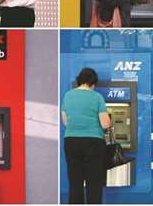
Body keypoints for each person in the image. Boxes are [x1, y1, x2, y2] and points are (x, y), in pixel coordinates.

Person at [61, 68, 111, 204]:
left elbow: (65, 121)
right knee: (93, 182)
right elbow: (105, 123)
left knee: (75, 182)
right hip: (93, 142)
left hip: (71, 141)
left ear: (79, 81)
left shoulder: (68, 95)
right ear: (93, 82)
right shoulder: (96, 97)